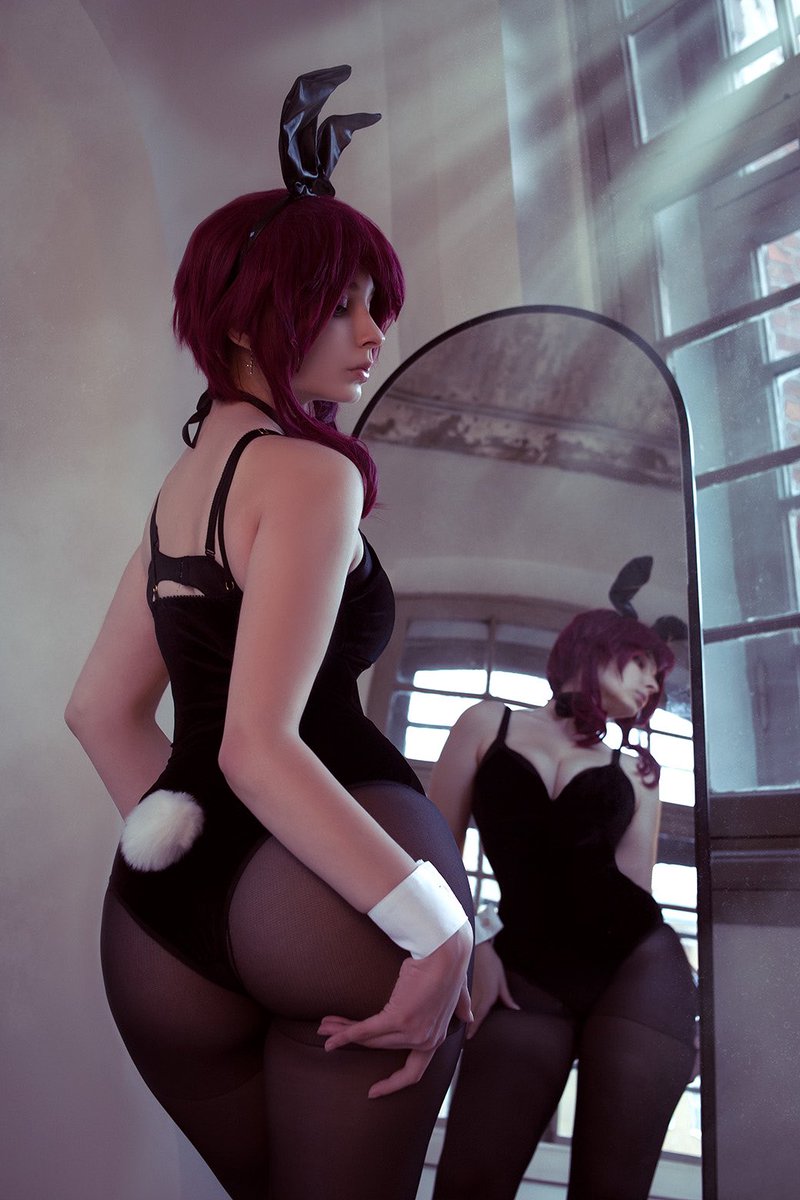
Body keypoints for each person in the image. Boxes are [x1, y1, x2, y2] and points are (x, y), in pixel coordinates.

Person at [65, 67, 473, 1200]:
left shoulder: (184, 488)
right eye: (342, 306)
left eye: (375, 303)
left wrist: (201, 864)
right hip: (329, 914)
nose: (374, 332)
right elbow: (257, 744)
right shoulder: (308, 473)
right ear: (246, 319)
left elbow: (97, 713)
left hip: (157, 939)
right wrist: (440, 928)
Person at [430, 609, 698, 1200]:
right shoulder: (487, 723)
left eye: (659, 679)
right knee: (468, 1183)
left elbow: (637, 891)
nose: (652, 685)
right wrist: (477, 939)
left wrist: (685, 1012)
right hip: (526, 970)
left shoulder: (637, 772)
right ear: (596, 647)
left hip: (640, 973)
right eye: (643, 665)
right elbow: (432, 854)